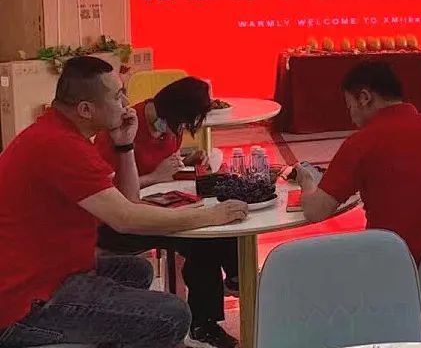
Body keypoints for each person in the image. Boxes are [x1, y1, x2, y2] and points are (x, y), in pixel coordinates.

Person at [0, 56, 247, 348]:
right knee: (173, 315)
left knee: (138, 271)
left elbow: (129, 200)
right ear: (86, 109)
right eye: (118, 96)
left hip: (54, 272)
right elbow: (126, 218)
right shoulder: (60, 146)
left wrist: (125, 144)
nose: (126, 103)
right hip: (26, 305)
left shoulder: (61, 134)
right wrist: (209, 215)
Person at [95, 77, 240, 348]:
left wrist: (186, 161)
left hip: (156, 205)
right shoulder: (122, 130)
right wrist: (155, 176)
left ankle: (209, 314)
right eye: (182, 123)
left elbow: (164, 166)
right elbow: (111, 195)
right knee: (202, 237)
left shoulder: (169, 125)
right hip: (119, 220)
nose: (180, 130)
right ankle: (213, 307)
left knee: (208, 232)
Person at [296, 61, 421, 263]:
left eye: (349, 106)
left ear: (364, 98)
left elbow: (315, 211)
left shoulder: (361, 143)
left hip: (389, 262)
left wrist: (307, 182)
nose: (351, 116)